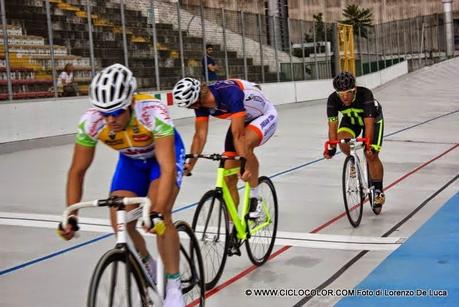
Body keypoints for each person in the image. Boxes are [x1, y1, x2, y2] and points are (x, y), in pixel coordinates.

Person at [57, 63, 186, 306]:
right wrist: (71, 215)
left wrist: (157, 211)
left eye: (116, 112)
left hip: (160, 159)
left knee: (160, 214)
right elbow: (77, 171)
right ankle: (147, 262)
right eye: (104, 113)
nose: (110, 119)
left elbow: (167, 168)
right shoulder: (91, 122)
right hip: (131, 162)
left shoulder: (152, 111)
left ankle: (173, 284)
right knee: (119, 221)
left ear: (130, 103)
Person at [172, 77, 278, 229]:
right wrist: (191, 164)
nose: (191, 108)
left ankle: (255, 199)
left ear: (198, 97)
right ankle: (232, 228)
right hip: (242, 119)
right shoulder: (200, 104)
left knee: (245, 145)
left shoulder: (230, 93)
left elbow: (238, 135)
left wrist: (244, 165)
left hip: (264, 116)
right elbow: (200, 136)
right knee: (228, 178)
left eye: (191, 104)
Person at [324, 72, 386, 210]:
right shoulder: (333, 99)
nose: (344, 97)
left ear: (355, 90)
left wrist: (369, 147)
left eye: (348, 93)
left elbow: (368, 125)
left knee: (371, 155)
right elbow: (332, 126)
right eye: (341, 93)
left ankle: (378, 190)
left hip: (372, 120)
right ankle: (353, 160)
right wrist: (332, 148)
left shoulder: (365, 95)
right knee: (341, 140)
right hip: (352, 121)